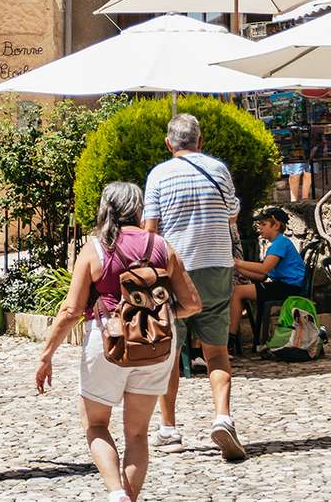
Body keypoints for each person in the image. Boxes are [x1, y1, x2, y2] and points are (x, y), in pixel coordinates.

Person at [35, 182, 201, 502]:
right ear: (139, 210)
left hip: (107, 343)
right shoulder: (161, 246)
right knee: (137, 434)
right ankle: (129, 498)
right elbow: (193, 304)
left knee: (96, 425)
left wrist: (46, 354)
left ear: (105, 209)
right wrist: (159, 312)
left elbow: (71, 309)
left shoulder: (95, 248)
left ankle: (115, 493)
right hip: (156, 345)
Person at [142, 113, 244, 461]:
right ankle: (223, 417)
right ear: (200, 142)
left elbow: (150, 228)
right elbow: (232, 214)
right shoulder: (219, 171)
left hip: (176, 271)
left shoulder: (159, 174)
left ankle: (169, 430)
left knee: (169, 353)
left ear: (169, 143)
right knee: (216, 351)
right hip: (217, 266)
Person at [227, 208, 306, 346]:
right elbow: (263, 276)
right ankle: (233, 338)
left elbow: (264, 268)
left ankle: (230, 340)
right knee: (239, 290)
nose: (260, 228)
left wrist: (237, 262)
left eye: (263, 224)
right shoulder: (277, 244)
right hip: (286, 285)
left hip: (290, 288)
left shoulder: (280, 243)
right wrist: (238, 268)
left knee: (237, 292)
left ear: (275, 225)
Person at [280, 138, 311, 203]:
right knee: (294, 173)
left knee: (309, 173)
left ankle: (305, 199)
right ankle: (294, 201)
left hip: (309, 138)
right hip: (293, 140)